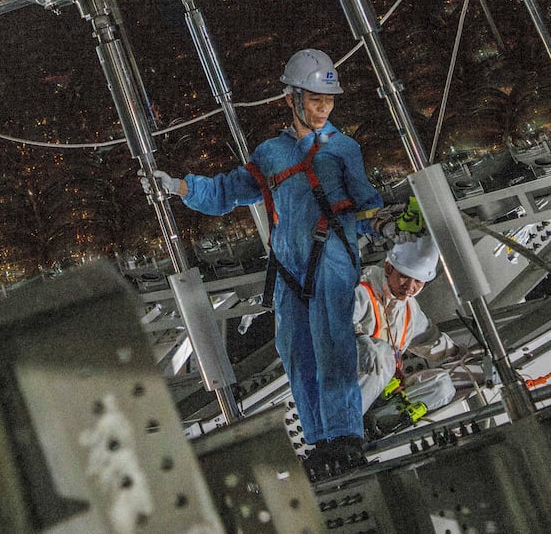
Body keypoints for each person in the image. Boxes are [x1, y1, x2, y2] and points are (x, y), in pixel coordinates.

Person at [156, 48, 382, 477]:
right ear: (291, 98)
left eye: (328, 100)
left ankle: (346, 435)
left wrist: (383, 225)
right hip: (287, 269)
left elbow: (368, 206)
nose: (322, 108)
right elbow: (229, 191)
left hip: (330, 259)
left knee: (333, 345)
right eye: (315, 99)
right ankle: (320, 441)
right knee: (296, 352)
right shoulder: (271, 154)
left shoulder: (343, 150)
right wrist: (181, 187)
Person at [353, 236, 457, 430]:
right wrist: (360, 339)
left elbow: (428, 340)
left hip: (381, 389)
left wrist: (460, 353)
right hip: (349, 380)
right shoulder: (362, 290)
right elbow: (338, 321)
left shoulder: (409, 308)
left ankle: (376, 425)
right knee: (382, 351)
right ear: (388, 268)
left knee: (442, 385)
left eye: (418, 281)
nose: (410, 287)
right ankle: (347, 425)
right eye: (405, 277)